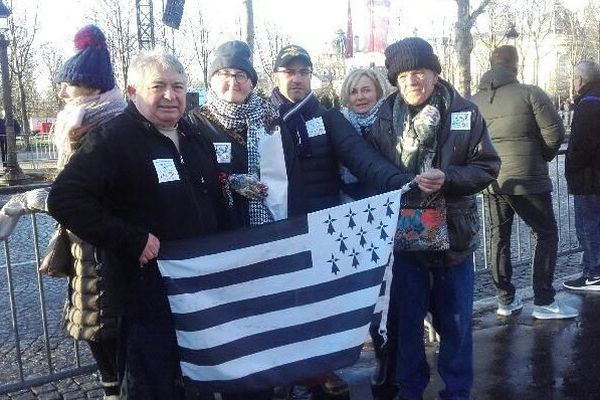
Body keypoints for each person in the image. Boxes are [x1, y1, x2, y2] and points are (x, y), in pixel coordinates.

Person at [46, 48, 227, 400]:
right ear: (132, 91)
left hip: (198, 293)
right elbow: (65, 198)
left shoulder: (195, 136)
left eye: (178, 86)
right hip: (145, 297)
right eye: (157, 86)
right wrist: (131, 238)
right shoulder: (112, 139)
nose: (170, 96)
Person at [270, 45, 409, 400]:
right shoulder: (260, 118)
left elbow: (361, 159)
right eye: (289, 71)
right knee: (286, 307)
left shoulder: (330, 118)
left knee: (323, 306)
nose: (297, 78)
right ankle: (287, 373)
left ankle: (325, 370)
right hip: (276, 231)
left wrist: (401, 183)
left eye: (304, 71)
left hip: (322, 229)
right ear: (276, 76)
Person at [366, 37, 500, 400]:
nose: (413, 81)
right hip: (405, 235)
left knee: (455, 326)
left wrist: (450, 178)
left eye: (420, 72)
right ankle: (411, 391)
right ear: (395, 80)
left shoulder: (464, 111)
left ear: (435, 74)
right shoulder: (382, 117)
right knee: (408, 326)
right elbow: (372, 171)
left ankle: (457, 393)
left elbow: (488, 166)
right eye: (405, 74)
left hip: (453, 235)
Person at [0, 25, 126, 400]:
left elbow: (68, 197)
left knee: (105, 334)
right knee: (102, 336)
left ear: (92, 88)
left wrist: (20, 203)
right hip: (87, 250)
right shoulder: (90, 123)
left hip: (101, 253)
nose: (62, 91)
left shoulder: (100, 130)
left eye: (69, 84)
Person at [472, 45, 578, 320]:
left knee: (499, 237)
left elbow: (466, 142)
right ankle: (543, 300)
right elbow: (554, 133)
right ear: (515, 65)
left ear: (490, 65)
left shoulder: (473, 101)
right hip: (528, 178)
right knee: (545, 233)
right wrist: (540, 156)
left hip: (491, 180)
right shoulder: (530, 93)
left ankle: (505, 300)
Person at [187, 40, 304, 230]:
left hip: (271, 227)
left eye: (240, 75)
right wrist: (229, 181)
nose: (233, 82)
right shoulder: (195, 123)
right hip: (222, 229)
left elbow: (293, 177)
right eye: (224, 74)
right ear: (212, 80)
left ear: (251, 83)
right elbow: (192, 178)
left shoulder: (272, 121)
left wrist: (296, 227)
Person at [563, 60, 600, 292]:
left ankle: (594, 273)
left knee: (588, 225)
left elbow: (580, 146)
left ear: (579, 80)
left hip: (589, 178)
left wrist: (571, 170)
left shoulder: (588, 104)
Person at [338, 68, 388, 201]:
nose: (360, 97)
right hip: (350, 197)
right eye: (353, 92)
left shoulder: (390, 121)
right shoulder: (339, 123)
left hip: (386, 194)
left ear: (378, 92)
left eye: (366, 90)